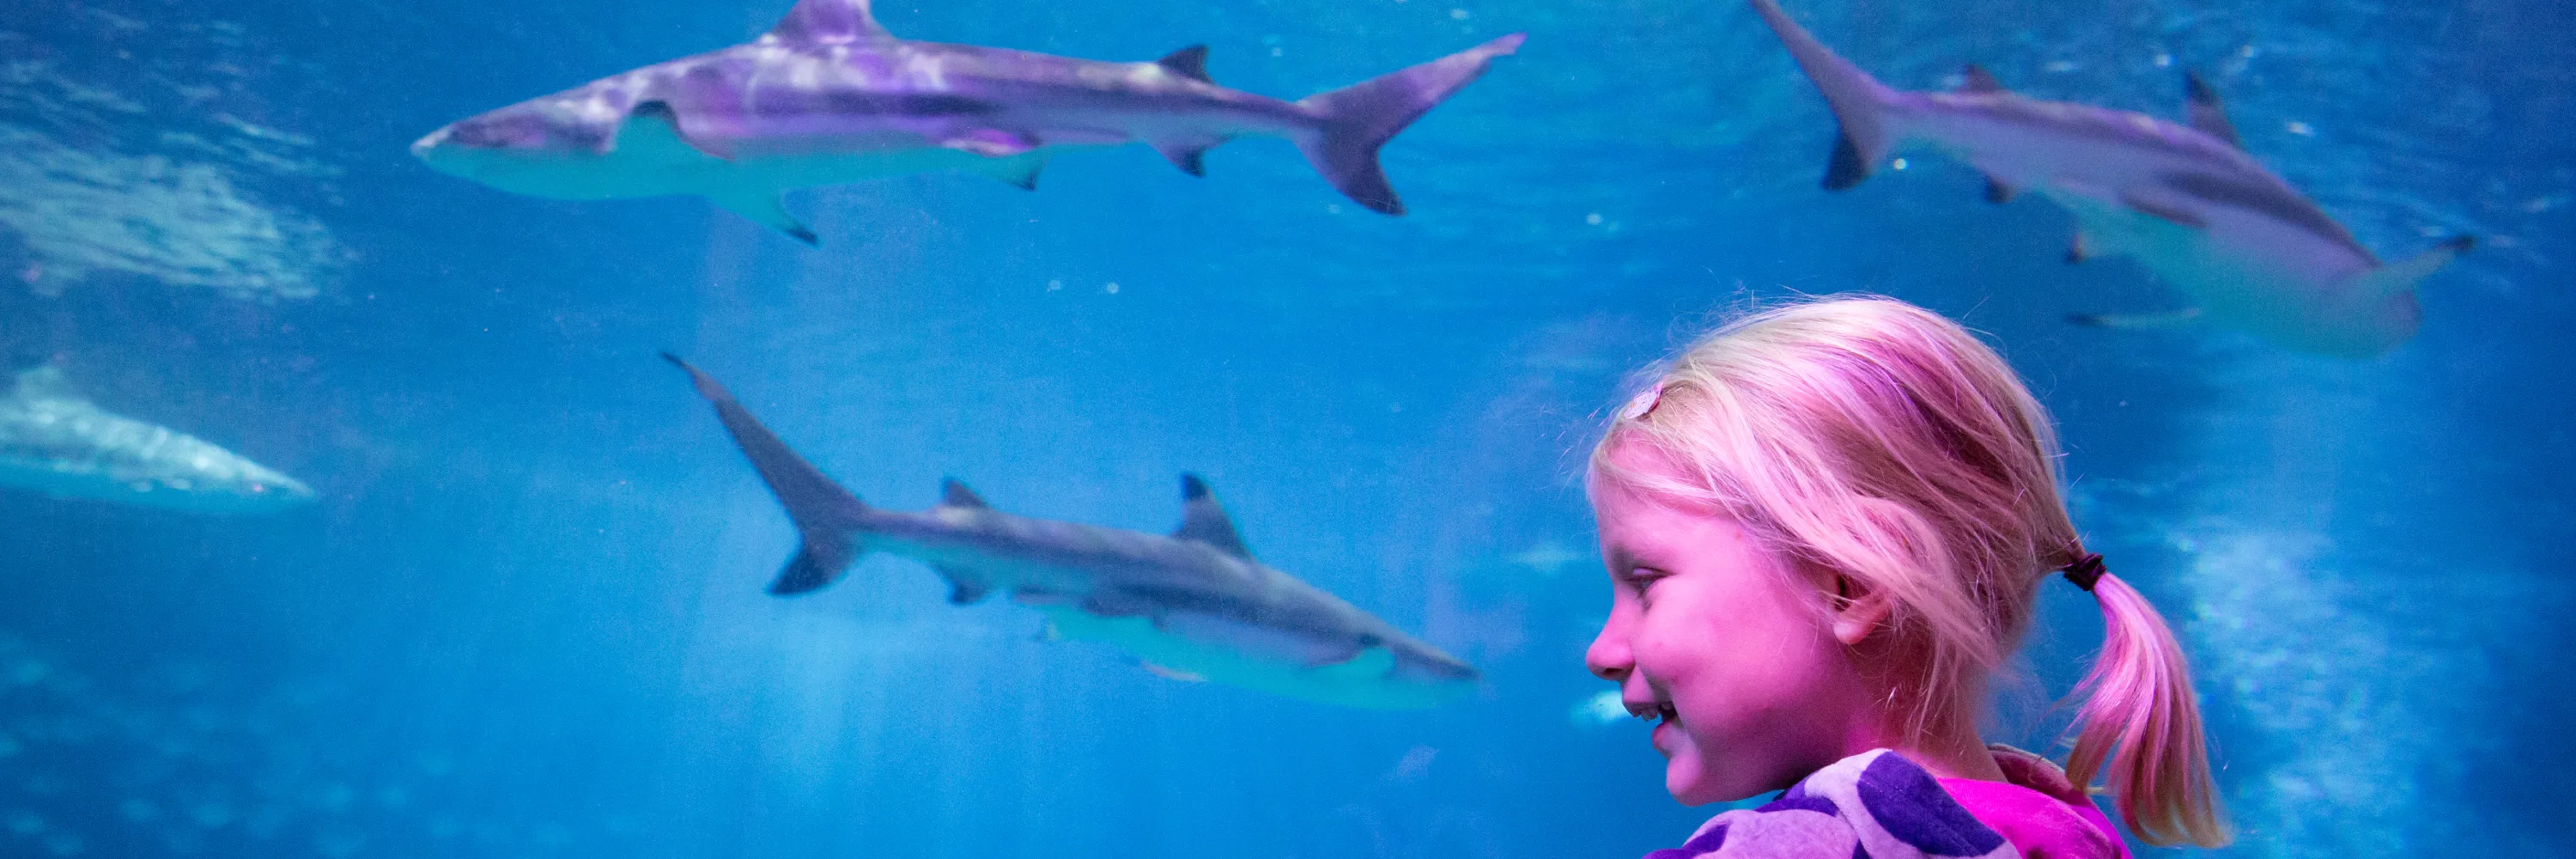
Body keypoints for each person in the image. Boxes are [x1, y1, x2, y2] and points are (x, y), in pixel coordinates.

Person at [1583, 296, 2230, 858]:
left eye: (1645, 581)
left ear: (1850, 583)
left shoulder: (1829, 843)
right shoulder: (2055, 823)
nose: (1602, 651)